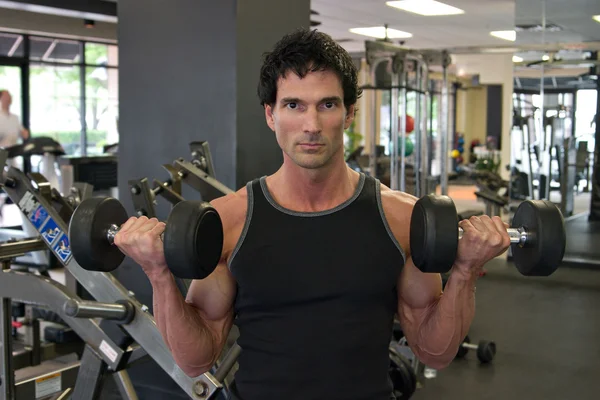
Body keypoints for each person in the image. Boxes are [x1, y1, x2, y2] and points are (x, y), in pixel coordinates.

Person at [113, 29, 511, 399]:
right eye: (293, 105)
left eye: (327, 104)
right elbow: (195, 358)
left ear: (349, 113)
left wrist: (463, 273)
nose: (311, 125)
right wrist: (158, 274)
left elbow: (434, 352)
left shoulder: (400, 219)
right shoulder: (228, 222)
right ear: (271, 115)